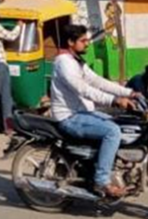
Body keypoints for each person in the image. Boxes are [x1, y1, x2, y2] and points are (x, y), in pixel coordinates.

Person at [50, 24, 140, 198]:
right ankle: (102, 181)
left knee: (119, 123)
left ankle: (105, 166)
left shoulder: (76, 61)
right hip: (69, 117)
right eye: (83, 41)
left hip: (82, 112)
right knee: (112, 131)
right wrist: (114, 100)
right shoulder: (64, 64)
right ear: (70, 42)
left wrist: (129, 93)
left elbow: (98, 81)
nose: (87, 44)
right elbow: (84, 89)